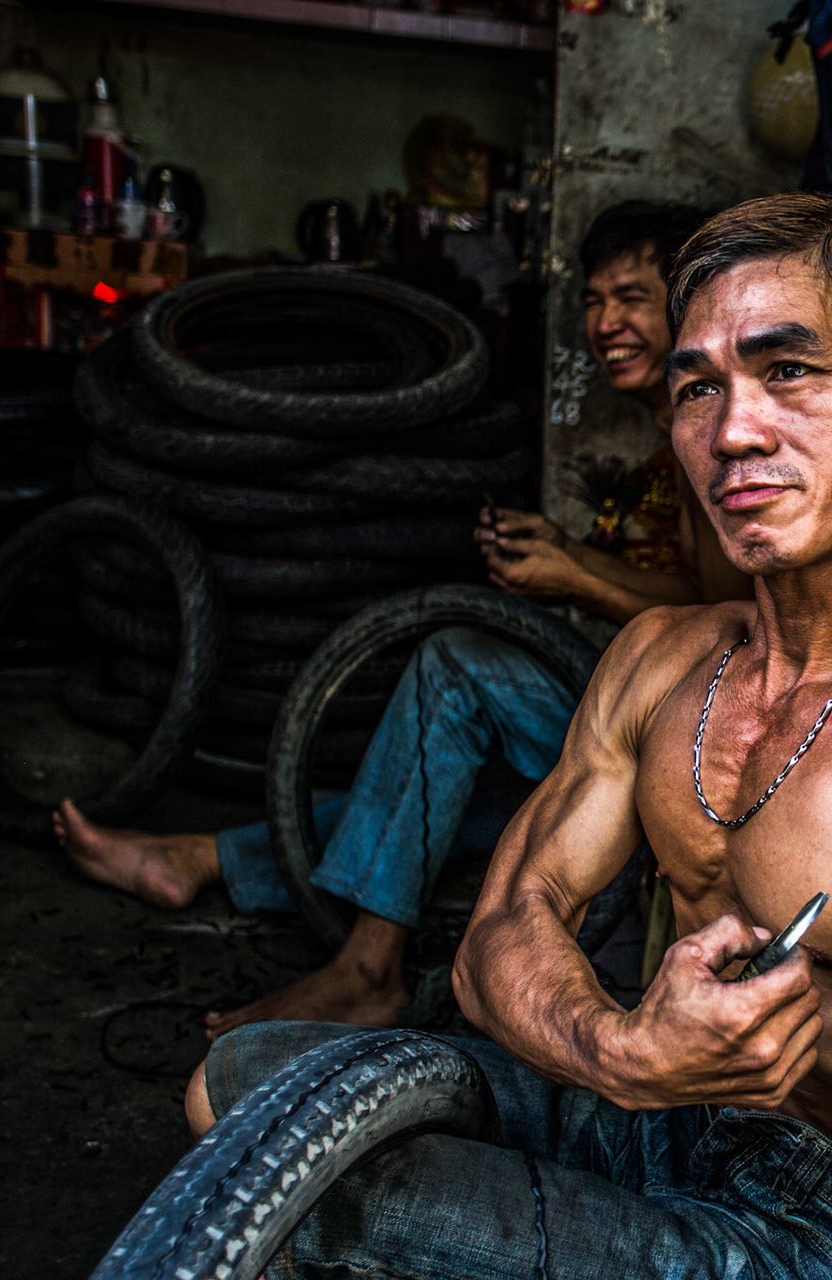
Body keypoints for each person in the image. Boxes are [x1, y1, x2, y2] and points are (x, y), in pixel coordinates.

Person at [187, 193, 832, 1280]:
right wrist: (622, 1050)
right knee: (241, 1084)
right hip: (659, 1115)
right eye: (698, 387)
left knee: (303, 1198)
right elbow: (505, 926)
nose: (733, 430)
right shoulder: (662, 658)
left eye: (791, 371)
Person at [54, 200, 750, 1039]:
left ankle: (363, 970)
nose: (607, 323)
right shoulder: (672, 427)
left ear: (687, 305)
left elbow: (726, 625)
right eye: (595, 302)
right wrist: (567, 555)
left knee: (457, 664)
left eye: (632, 298)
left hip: (696, 737)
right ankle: (201, 858)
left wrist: (576, 575)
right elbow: (683, 585)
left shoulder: (713, 428)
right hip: (650, 716)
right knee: (439, 789)